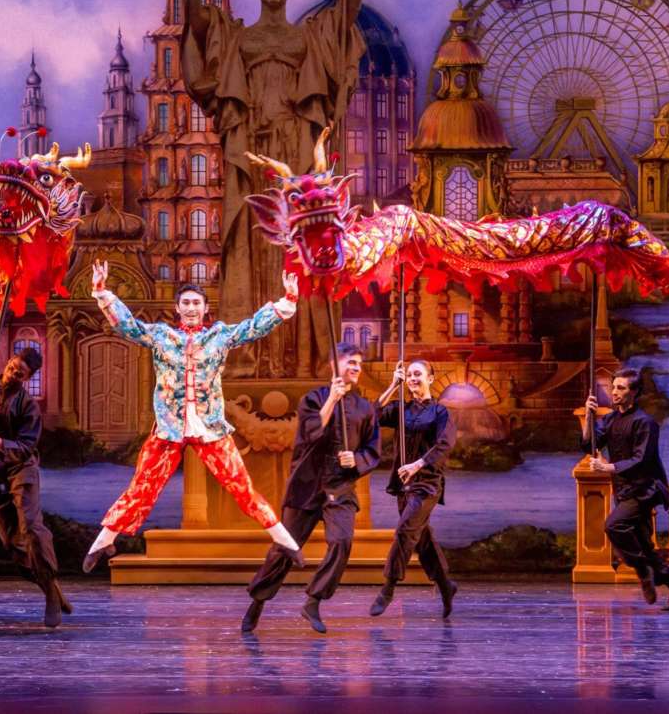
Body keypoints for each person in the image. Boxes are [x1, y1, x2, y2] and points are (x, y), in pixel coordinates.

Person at [181, 0, 364, 378]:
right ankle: (251, 355)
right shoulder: (238, 37)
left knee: (296, 241)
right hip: (251, 152)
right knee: (249, 240)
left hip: (296, 149)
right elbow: (193, 14)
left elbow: (349, 9)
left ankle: (300, 356)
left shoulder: (310, 35)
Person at [83, 259, 304, 574]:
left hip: (209, 427)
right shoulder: (161, 336)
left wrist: (288, 300)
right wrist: (102, 292)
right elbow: (129, 325)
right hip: (170, 427)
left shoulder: (219, 336)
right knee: (143, 486)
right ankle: (103, 541)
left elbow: (252, 327)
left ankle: (284, 540)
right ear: (177, 308)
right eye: (185, 303)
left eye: (196, 303)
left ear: (205, 307)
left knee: (240, 485)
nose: (190, 308)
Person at [243, 342, 379, 634]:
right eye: (350, 362)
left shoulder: (365, 408)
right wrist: (332, 399)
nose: (356, 368)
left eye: (359, 363)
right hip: (307, 484)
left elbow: (373, 449)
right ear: (334, 365)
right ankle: (258, 600)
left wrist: (355, 459)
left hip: (340, 486)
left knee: (342, 541)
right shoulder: (313, 399)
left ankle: (314, 600)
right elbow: (309, 434)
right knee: (285, 548)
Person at [0, 348, 70, 628]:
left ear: (27, 378)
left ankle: (50, 594)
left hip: (21, 470)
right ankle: (50, 587)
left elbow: (23, 448)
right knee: (12, 543)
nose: (11, 374)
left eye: (19, 374)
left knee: (31, 528)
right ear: (7, 363)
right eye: (11, 368)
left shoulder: (28, 406)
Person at [583, 367, 669, 611]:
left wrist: (607, 467)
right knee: (644, 544)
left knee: (613, 525)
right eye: (613, 387)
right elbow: (589, 445)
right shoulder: (610, 419)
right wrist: (588, 417)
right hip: (623, 488)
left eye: (620, 388)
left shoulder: (645, 423)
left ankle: (642, 571)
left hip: (645, 489)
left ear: (634, 392)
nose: (614, 392)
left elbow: (641, 460)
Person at [368, 360, 458, 618]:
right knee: (422, 539)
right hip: (403, 485)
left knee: (405, 531)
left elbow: (445, 444)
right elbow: (372, 416)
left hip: (427, 484)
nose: (412, 378)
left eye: (417, 374)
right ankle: (445, 585)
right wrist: (392, 386)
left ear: (431, 378)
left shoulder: (440, 412)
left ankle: (388, 587)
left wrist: (417, 464)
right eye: (409, 375)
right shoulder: (401, 409)